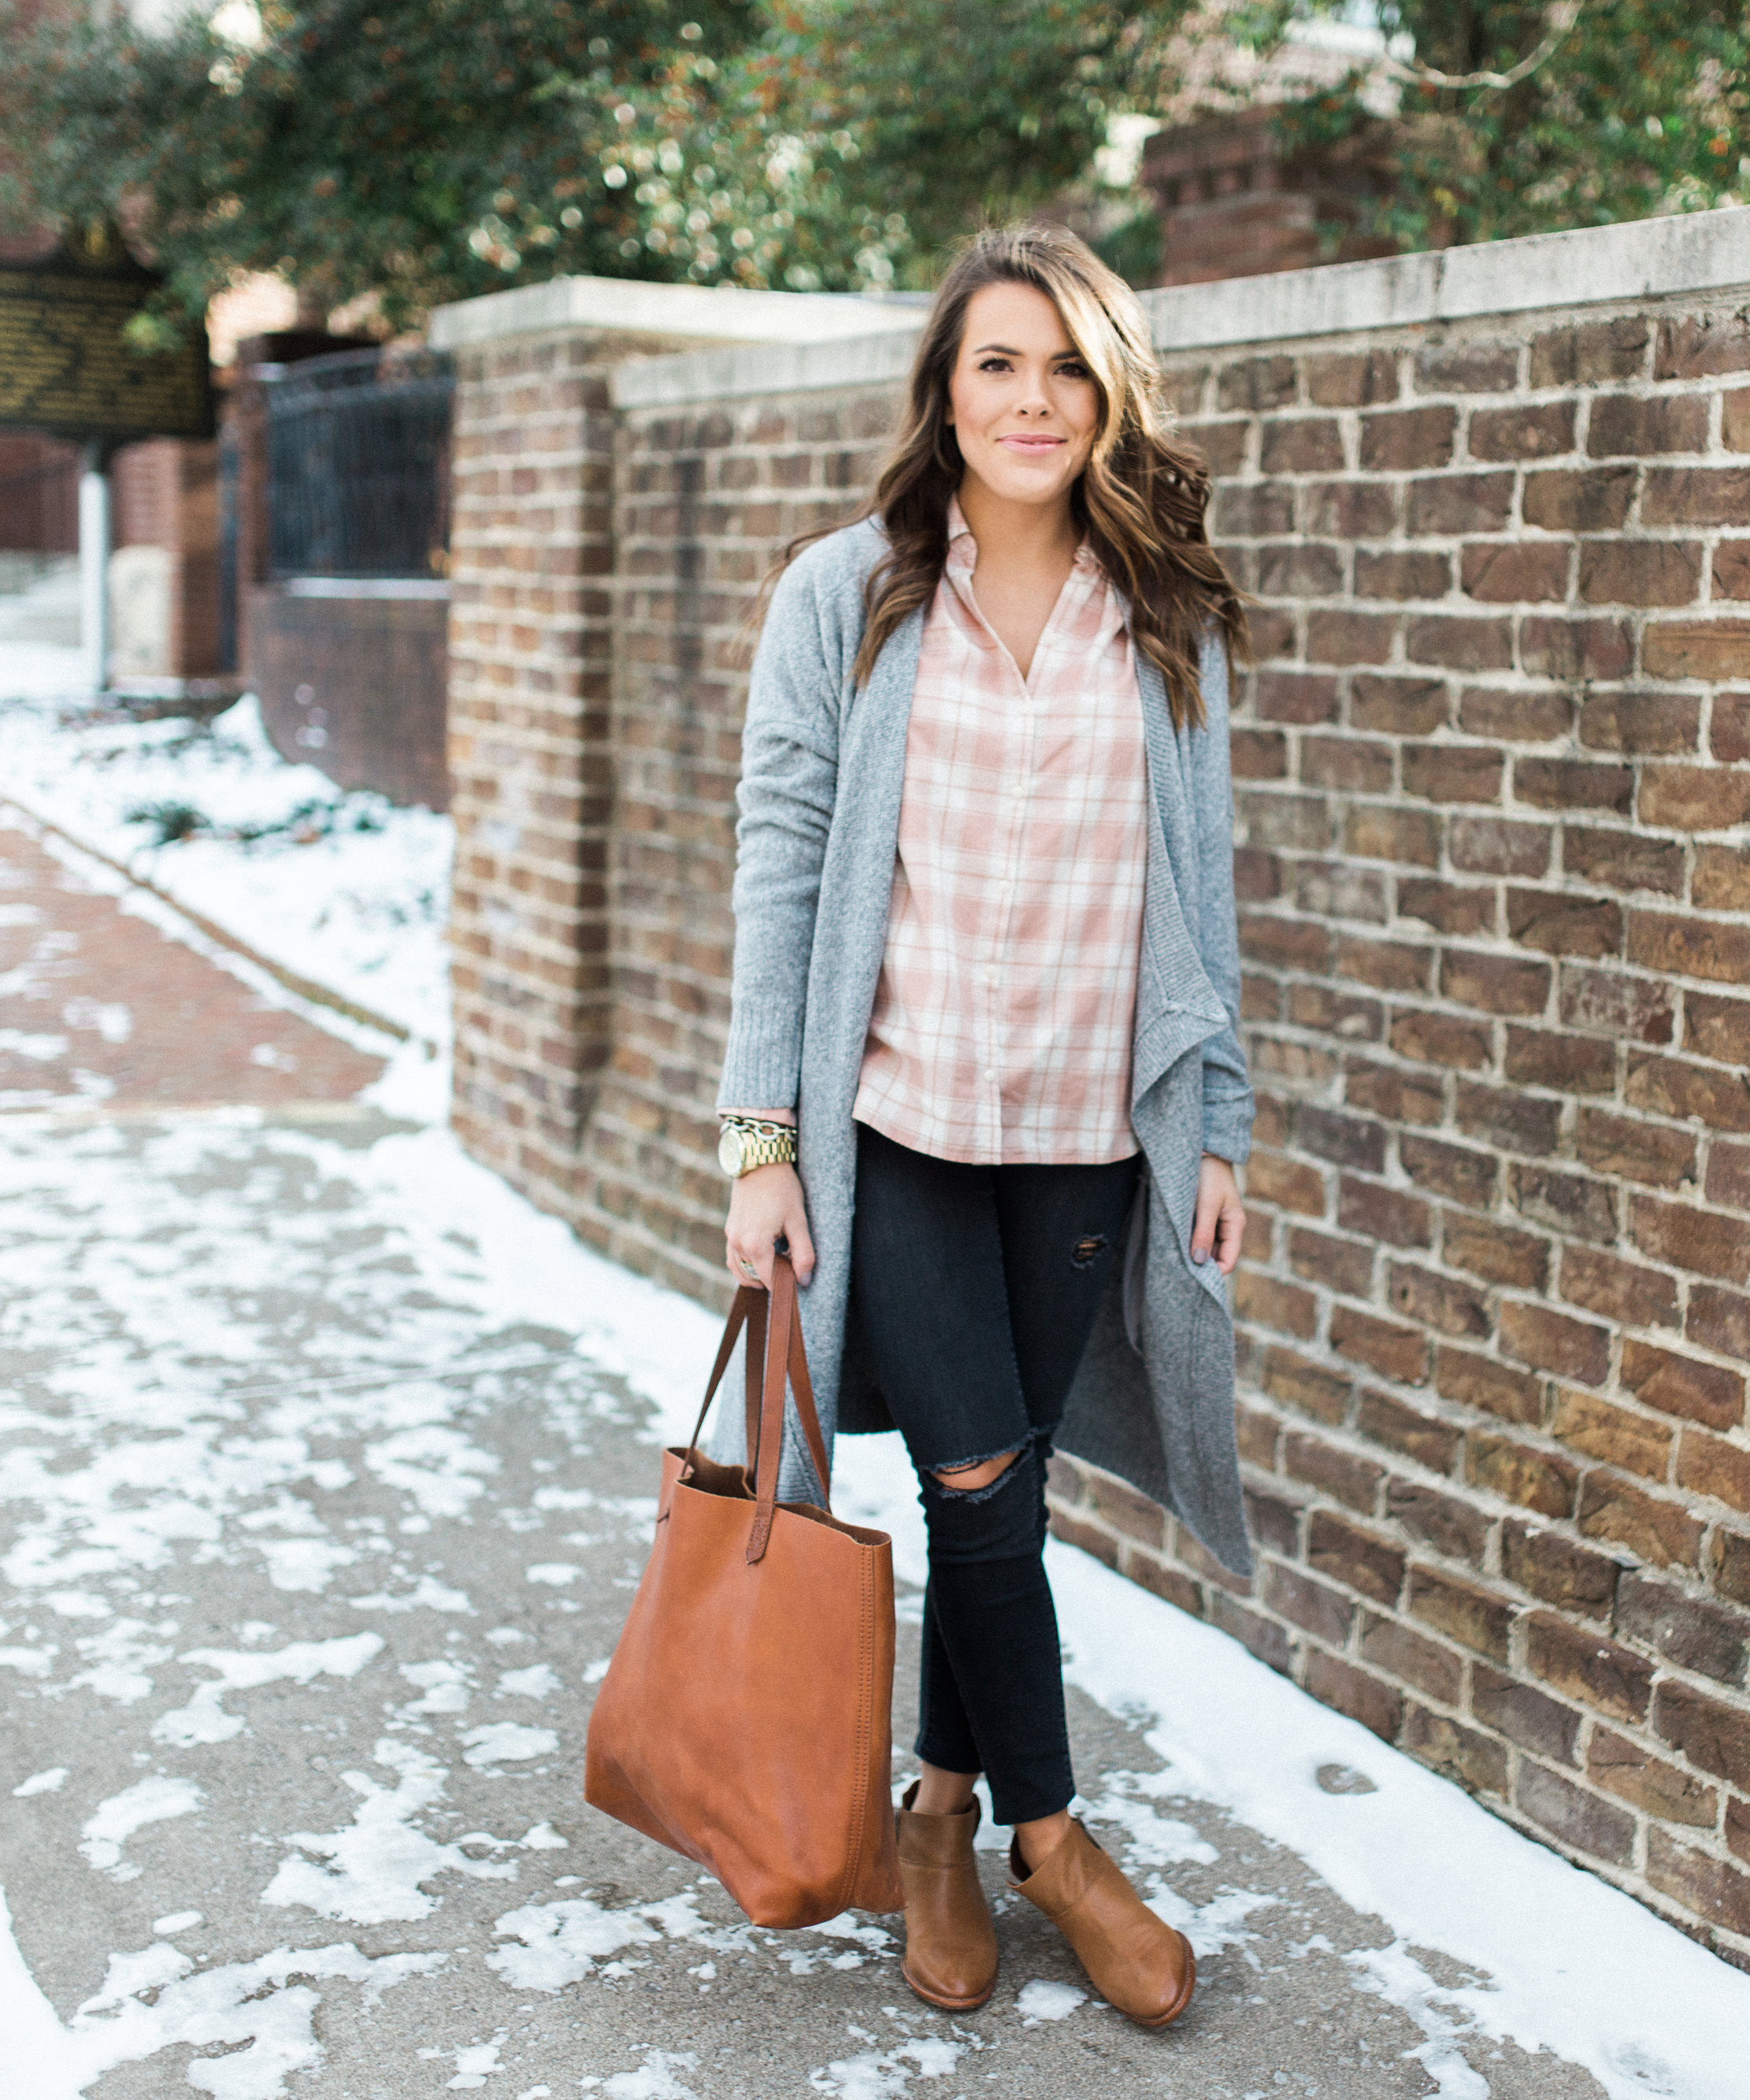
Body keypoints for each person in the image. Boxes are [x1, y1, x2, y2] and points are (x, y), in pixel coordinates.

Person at [712, 220, 1256, 2028]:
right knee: (976, 1487)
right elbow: (778, 873)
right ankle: (1057, 1840)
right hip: (904, 1131)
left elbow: (1203, 884)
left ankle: (931, 1812)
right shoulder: (844, 594)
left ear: (1111, 392)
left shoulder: (1159, 609)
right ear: (943, 391)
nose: (1035, 401)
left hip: (1092, 1132)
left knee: (998, 1502)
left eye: (1068, 366)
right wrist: (758, 1139)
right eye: (998, 365)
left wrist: (1218, 1123)